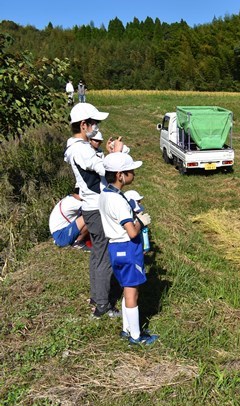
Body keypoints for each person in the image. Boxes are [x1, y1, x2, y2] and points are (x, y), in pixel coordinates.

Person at [64, 103, 126, 318]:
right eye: (94, 123)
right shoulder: (81, 150)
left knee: (98, 254)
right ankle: (103, 305)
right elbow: (107, 170)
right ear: (83, 125)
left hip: (91, 207)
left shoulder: (77, 148)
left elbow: (97, 166)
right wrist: (117, 154)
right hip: (96, 209)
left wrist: (105, 153)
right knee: (104, 256)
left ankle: (96, 295)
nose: (97, 126)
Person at [100, 152, 158, 345]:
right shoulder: (118, 201)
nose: (133, 173)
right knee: (133, 292)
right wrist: (140, 221)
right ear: (120, 175)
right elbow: (132, 232)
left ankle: (127, 329)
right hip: (128, 247)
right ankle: (136, 337)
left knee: (127, 289)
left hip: (115, 248)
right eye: (130, 170)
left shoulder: (105, 194)